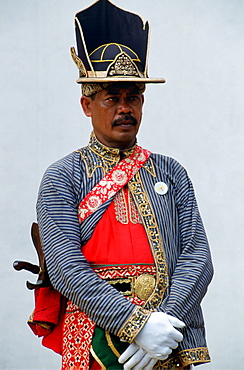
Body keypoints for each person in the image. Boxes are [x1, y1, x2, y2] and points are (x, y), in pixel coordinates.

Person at [35, 1, 214, 369]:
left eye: (132, 97)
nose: (124, 108)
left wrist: (163, 325)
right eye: (111, 98)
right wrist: (137, 325)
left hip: (168, 338)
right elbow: (66, 267)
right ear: (87, 104)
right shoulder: (62, 175)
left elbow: (198, 258)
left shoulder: (171, 172)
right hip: (94, 338)